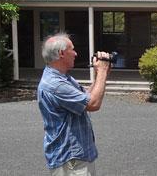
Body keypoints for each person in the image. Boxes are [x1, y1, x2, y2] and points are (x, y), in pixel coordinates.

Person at [37, 33, 111, 176]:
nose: (76, 54)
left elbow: (86, 97)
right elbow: (93, 104)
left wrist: (100, 74)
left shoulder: (62, 78)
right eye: (73, 49)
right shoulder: (55, 85)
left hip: (76, 156)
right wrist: (102, 71)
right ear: (61, 53)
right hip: (71, 159)